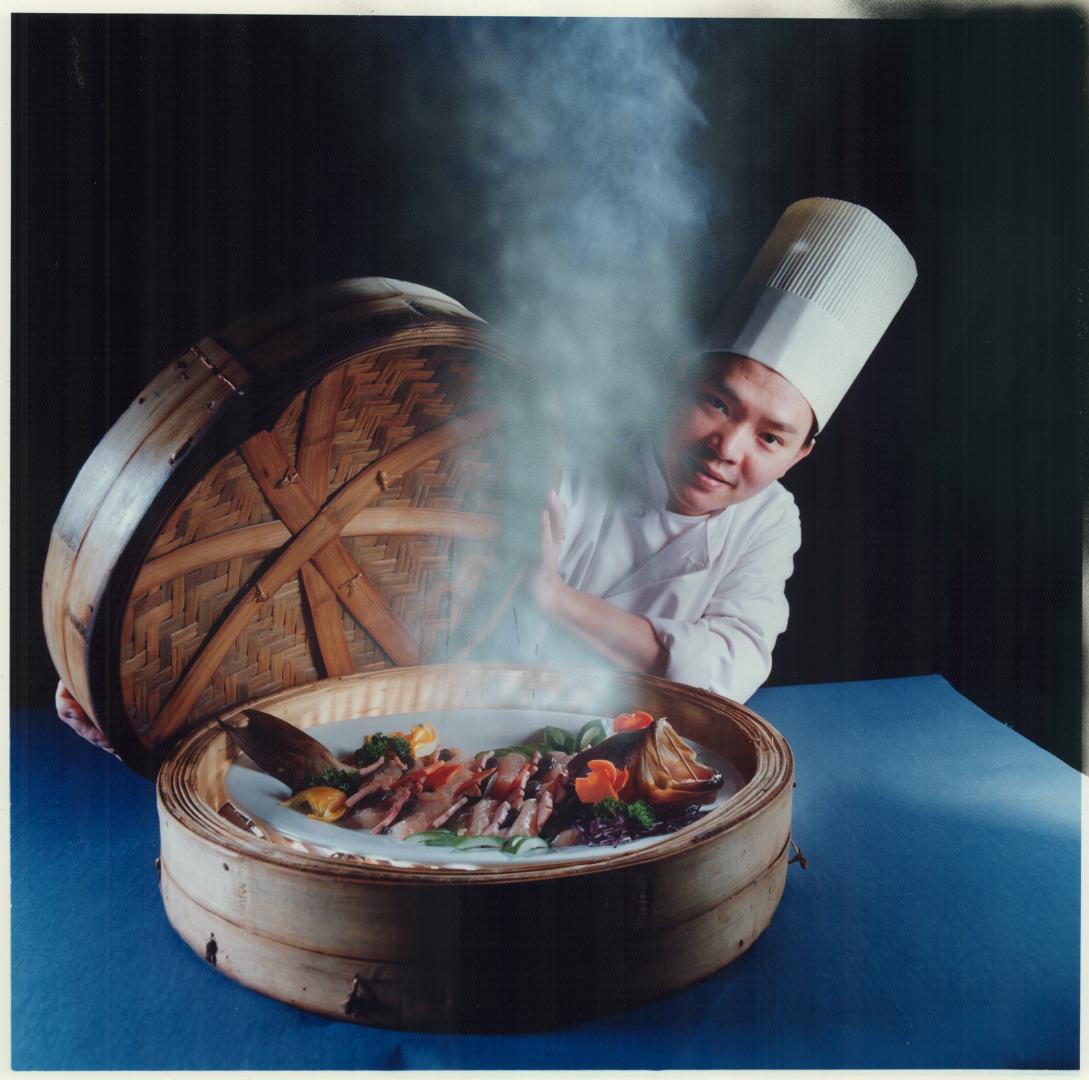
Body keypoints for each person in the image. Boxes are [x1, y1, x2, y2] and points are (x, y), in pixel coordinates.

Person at [56, 196, 916, 742]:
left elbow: (730, 671)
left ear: (801, 455)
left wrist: (554, 598)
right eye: (717, 404)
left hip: (623, 745)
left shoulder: (771, 521)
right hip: (453, 718)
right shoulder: (561, 446)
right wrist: (140, 691)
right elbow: (381, 604)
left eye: (771, 439)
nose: (728, 451)